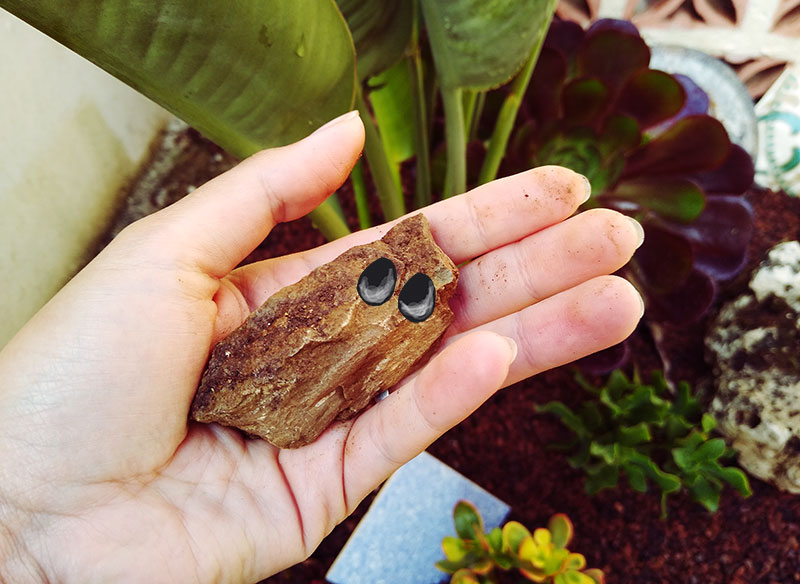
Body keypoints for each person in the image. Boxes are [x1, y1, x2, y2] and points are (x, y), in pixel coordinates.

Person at [0, 111, 644, 583]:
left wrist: (26, 535)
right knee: (385, 314)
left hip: (283, 401)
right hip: (245, 401)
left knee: (410, 319)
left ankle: (394, 292)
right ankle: (390, 289)